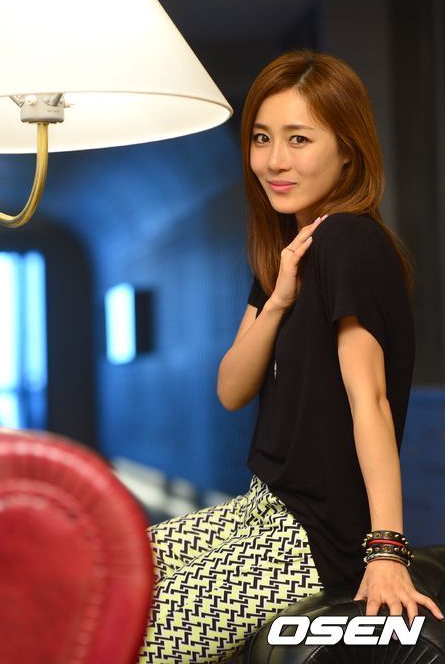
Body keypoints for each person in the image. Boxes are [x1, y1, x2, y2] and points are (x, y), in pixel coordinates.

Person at [136, 49, 444, 664]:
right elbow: (231, 389)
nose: (274, 161)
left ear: (348, 150)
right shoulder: (289, 253)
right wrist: (277, 299)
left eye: (298, 139)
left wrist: (386, 550)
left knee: (128, 634)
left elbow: (371, 401)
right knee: (98, 567)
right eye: (262, 138)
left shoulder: (348, 240)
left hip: (309, 538)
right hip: (259, 509)